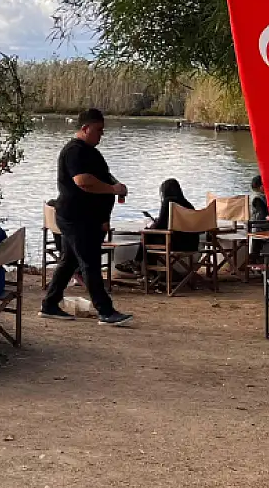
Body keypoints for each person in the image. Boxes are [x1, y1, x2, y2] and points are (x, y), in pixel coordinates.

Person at [40, 108, 134, 326]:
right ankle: (106, 311)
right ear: (85, 128)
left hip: (87, 217)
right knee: (90, 262)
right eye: (99, 130)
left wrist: (116, 188)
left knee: (68, 262)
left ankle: (50, 304)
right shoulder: (74, 151)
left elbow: (103, 178)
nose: (102, 134)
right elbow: (83, 181)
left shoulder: (92, 152)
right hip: (75, 216)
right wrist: (112, 190)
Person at [147, 179, 203, 252]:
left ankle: (139, 261)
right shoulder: (188, 205)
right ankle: (138, 261)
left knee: (147, 235)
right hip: (192, 245)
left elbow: (160, 226)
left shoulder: (168, 202)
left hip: (175, 245)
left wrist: (151, 225)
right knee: (149, 235)